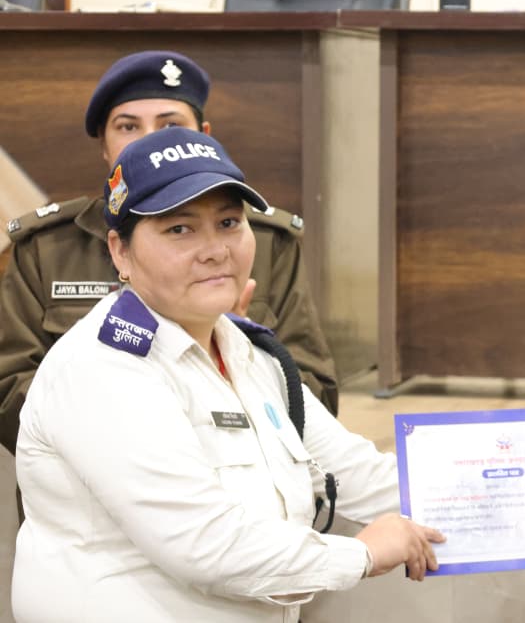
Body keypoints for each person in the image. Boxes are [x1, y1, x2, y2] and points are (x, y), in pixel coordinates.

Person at [13, 127, 444, 622]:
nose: (216, 249)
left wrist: (517, 482)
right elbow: (205, 544)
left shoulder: (249, 354)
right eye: (180, 229)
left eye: (229, 223)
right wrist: (362, 554)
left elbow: (356, 473)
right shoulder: (102, 368)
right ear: (120, 252)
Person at [0, 50, 340, 458]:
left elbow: (316, 394)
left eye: (171, 125)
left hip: (244, 475)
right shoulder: (47, 248)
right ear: (104, 146)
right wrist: (143, 429)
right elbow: (9, 391)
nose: (150, 140)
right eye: (128, 126)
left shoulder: (264, 243)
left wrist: (244, 358)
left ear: (204, 136)